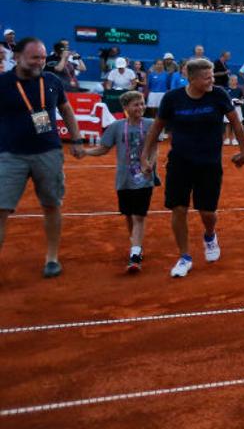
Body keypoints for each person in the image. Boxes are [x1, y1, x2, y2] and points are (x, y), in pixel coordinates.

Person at [141, 58, 244, 278]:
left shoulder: (218, 94)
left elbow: (235, 122)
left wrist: (243, 150)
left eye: (212, 75)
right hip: (179, 162)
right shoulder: (172, 98)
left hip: (209, 164)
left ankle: (209, 235)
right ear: (191, 78)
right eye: (206, 77)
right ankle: (184, 256)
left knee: (207, 212)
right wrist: (145, 157)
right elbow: (156, 129)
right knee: (179, 209)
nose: (211, 80)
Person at [0, 37, 85, 278]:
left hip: (48, 152)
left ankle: (52, 258)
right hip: (9, 155)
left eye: (43, 57)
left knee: (51, 205)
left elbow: (66, 108)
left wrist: (77, 139)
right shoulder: (3, 84)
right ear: (16, 57)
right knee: (1, 210)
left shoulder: (51, 81)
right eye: (34, 57)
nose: (40, 62)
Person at [83, 91, 157, 272]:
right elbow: (103, 149)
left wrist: (149, 164)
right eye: (135, 105)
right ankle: (135, 244)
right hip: (124, 179)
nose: (140, 108)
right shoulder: (116, 127)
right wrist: (85, 152)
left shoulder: (151, 124)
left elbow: (154, 148)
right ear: (126, 108)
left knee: (139, 215)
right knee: (129, 215)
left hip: (144, 178)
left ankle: (135, 253)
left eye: (141, 104)